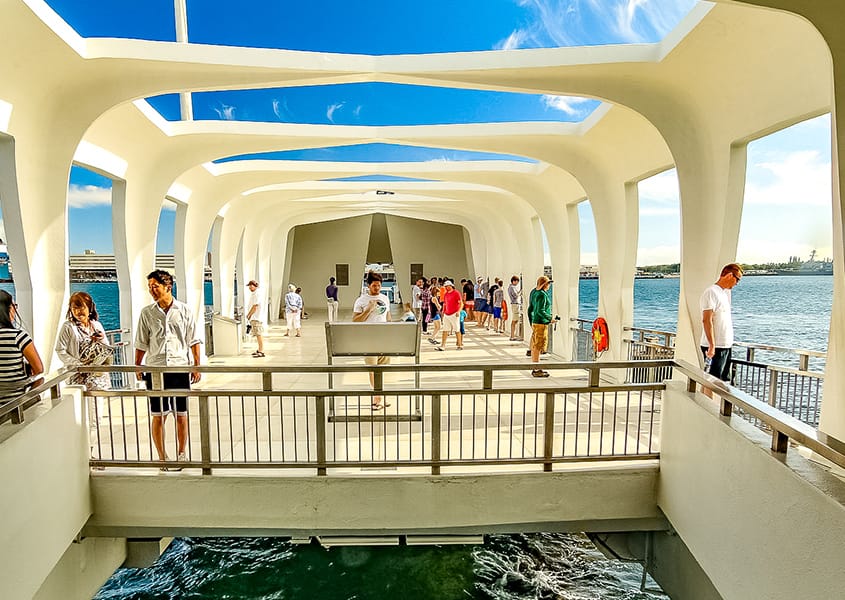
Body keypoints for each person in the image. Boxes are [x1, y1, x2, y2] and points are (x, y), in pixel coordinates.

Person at [134, 270, 201, 469]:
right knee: (158, 414)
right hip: (155, 369)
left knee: (181, 413)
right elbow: (141, 341)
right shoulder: (147, 313)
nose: (152, 291)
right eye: (150, 287)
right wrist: (137, 366)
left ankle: (182, 453)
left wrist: (196, 366)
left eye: (155, 286)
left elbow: (193, 340)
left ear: (168, 286)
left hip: (179, 368)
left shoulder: (184, 310)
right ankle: (161, 456)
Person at [352, 271, 392, 410]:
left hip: (384, 338)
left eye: (379, 285)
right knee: (372, 368)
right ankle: (378, 397)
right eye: (374, 285)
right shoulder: (361, 300)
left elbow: (387, 317)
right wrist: (368, 310)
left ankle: (380, 395)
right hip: (368, 338)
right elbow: (355, 320)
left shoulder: (385, 298)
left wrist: (391, 331)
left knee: (382, 369)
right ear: (368, 285)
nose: (377, 288)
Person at [55, 291, 110, 391]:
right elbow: (60, 350)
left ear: (89, 308)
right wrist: (77, 364)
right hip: (78, 378)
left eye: (81, 307)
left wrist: (101, 339)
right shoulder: (68, 327)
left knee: (97, 405)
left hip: (97, 378)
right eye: (74, 308)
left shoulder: (96, 325)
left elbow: (107, 349)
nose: (78, 311)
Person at [701, 263, 743, 381]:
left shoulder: (724, 293)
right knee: (711, 381)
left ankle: (712, 400)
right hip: (715, 346)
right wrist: (712, 345)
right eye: (737, 279)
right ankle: (706, 400)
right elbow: (706, 320)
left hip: (724, 345)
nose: (737, 283)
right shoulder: (711, 292)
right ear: (730, 275)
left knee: (722, 381)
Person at [0, 290, 44, 403]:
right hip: (14, 404)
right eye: (14, 306)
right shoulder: (18, 337)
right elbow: (39, 369)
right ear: (7, 309)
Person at [527, 275, 552, 378]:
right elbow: (540, 310)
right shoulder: (542, 294)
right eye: (548, 283)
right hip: (540, 322)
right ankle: (536, 369)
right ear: (544, 284)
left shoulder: (534, 292)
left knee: (535, 344)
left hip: (535, 321)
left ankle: (535, 366)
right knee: (538, 345)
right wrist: (550, 318)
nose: (549, 285)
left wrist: (531, 321)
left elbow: (530, 308)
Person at [437, 280, 464, 351]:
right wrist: (443, 311)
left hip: (454, 314)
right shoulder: (446, 294)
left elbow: (461, 303)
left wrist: (459, 311)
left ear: (451, 286)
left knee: (457, 330)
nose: (446, 288)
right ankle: (443, 345)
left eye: (447, 286)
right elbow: (445, 303)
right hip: (447, 314)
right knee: (445, 330)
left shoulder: (456, 293)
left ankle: (460, 345)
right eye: (445, 286)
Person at [245, 280, 266, 358]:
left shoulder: (257, 294)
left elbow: (255, 306)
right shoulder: (254, 294)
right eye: (249, 286)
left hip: (256, 317)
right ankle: (259, 349)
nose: (250, 287)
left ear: (255, 286)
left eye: (251, 285)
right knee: (257, 334)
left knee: (259, 334)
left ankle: (261, 351)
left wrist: (249, 315)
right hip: (255, 317)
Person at [508, 275, 522, 341]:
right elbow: (516, 295)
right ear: (514, 281)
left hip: (514, 304)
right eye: (517, 282)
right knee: (515, 320)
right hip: (515, 304)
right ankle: (512, 336)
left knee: (515, 320)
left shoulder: (510, 287)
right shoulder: (512, 287)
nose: (517, 283)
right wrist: (520, 292)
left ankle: (513, 335)